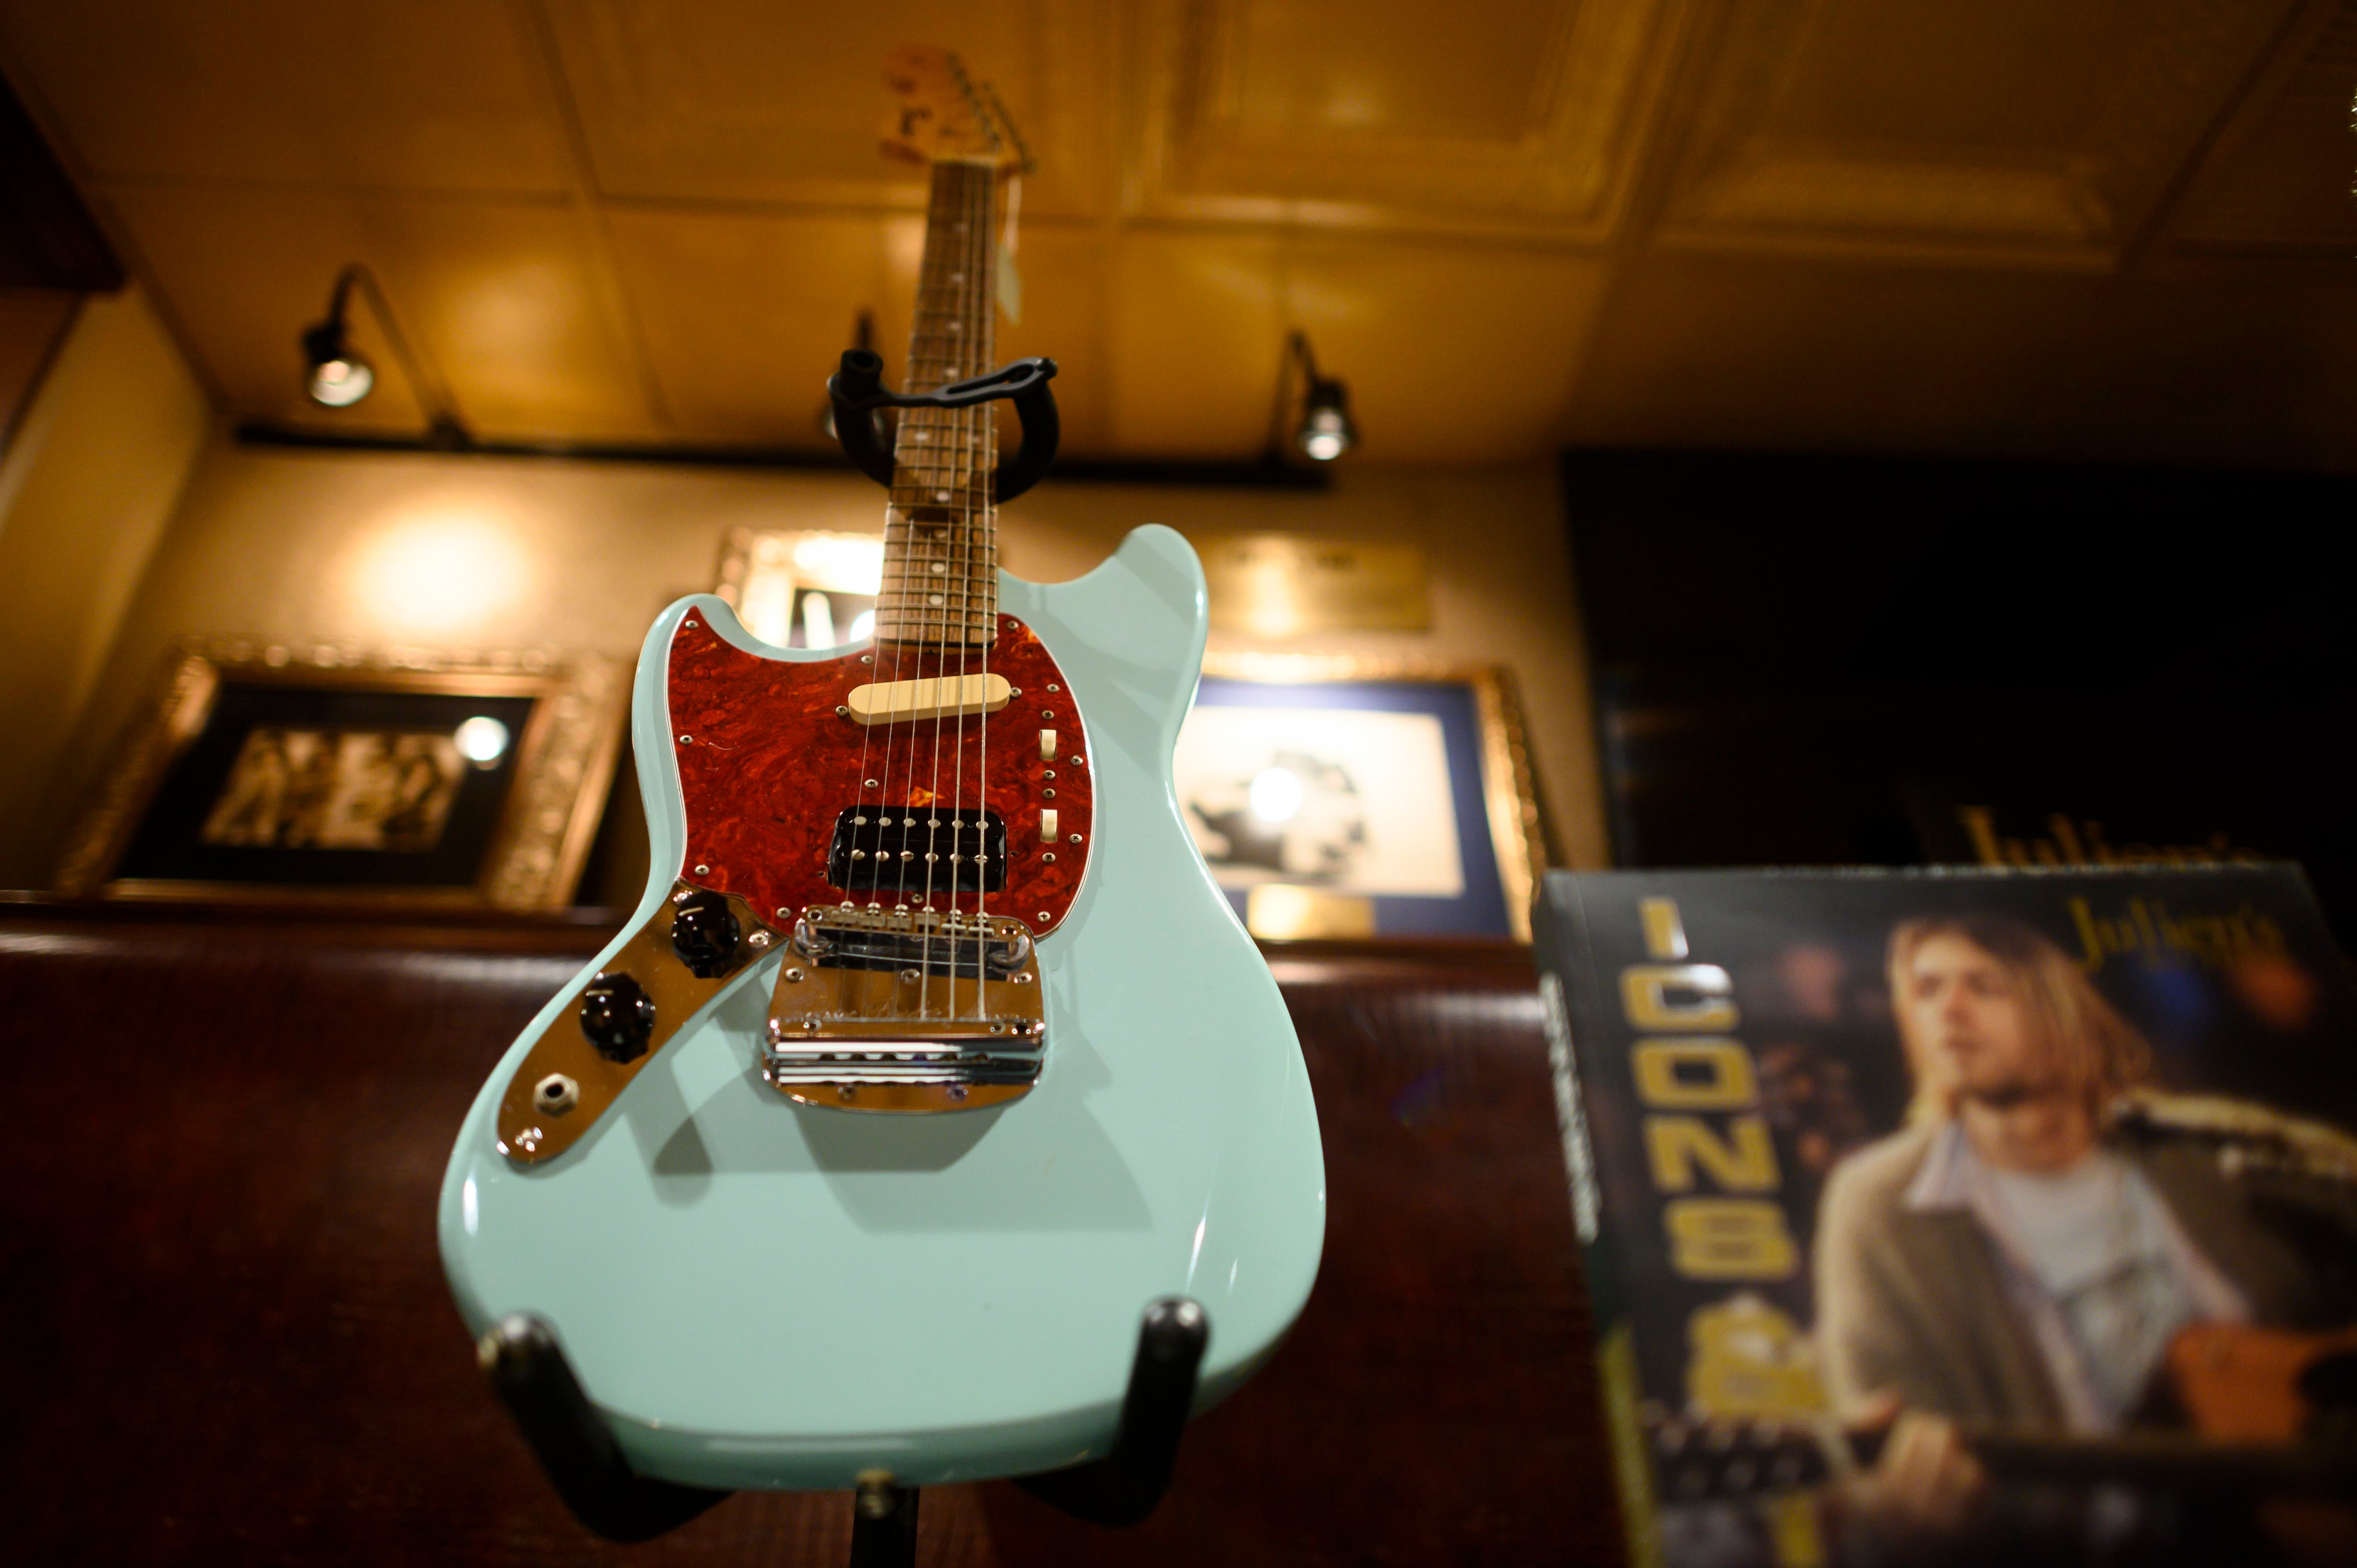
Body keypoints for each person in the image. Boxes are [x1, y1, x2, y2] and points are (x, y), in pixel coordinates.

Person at [1813, 912, 2357, 1540]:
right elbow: (1872, 1429)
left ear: (2062, 1002)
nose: (1949, 1012)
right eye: (1928, 989)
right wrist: (1893, 1508)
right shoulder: (1879, 1206)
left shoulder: (2205, 1144)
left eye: (1985, 987)